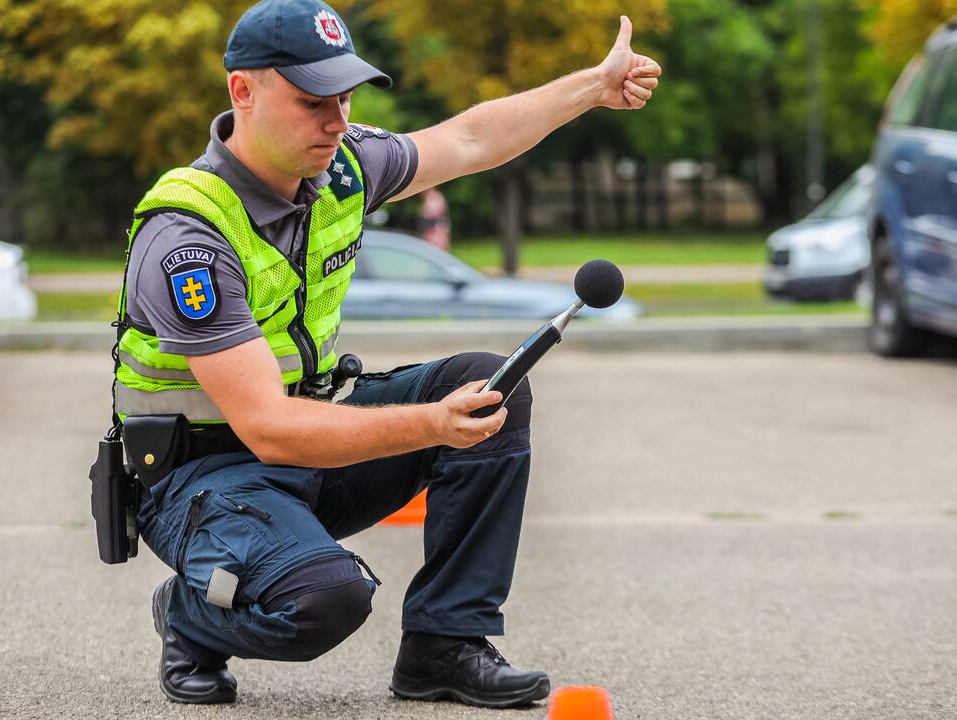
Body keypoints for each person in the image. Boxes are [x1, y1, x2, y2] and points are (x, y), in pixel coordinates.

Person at [114, 0, 661, 708]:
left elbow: (467, 140)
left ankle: (444, 644)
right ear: (242, 91)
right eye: (314, 102)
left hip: (304, 451)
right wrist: (430, 424)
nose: (337, 122)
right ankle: (191, 614)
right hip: (201, 479)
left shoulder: (340, 168)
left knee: (489, 385)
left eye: (344, 97)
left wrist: (592, 85)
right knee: (326, 601)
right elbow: (268, 428)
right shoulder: (188, 237)